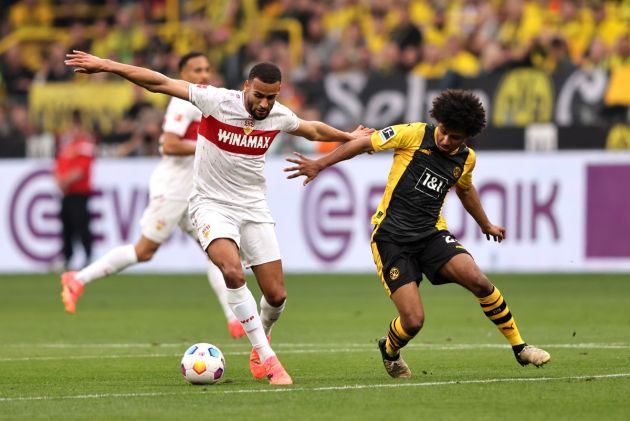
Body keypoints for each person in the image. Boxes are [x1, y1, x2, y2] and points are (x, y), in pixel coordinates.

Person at [64, 50, 372, 385]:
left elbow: (311, 129)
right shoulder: (217, 101)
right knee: (230, 269)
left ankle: (260, 339)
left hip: (253, 207)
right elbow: (160, 83)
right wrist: (107, 65)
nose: (264, 104)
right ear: (245, 88)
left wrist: (349, 137)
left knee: (277, 296)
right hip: (210, 204)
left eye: (271, 97)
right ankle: (270, 361)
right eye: (259, 96)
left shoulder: (277, 115)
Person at [284, 89, 551, 378]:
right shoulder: (412, 134)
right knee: (413, 321)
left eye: (456, 138)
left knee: (480, 282)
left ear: (467, 138)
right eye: (445, 132)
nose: (447, 141)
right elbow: (362, 144)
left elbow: (464, 188)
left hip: (431, 235)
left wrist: (485, 224)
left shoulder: (466, 158)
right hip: (391, 238)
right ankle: (389, 350)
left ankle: (520, 348)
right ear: (439, 122)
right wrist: (319, 165)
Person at [61, 52, 246, 340]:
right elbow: (169, 145)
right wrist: (210, 146)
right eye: (196, 70)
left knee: (218, 255)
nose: (204, 75)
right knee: (144, 251)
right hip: (173, 189)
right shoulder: (182, 102)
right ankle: (77, 278)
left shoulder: (204, 99)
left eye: (207, 68)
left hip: (194, 193)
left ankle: (233, 319)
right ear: (182, 72)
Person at [54, 110, 96, 269]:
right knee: (66, 226)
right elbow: (58, 165)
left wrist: (63, 180)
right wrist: (59, 180)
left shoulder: (85, 145)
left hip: (79, 192)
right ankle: (67, 257)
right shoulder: (67, 145)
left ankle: (88, 256)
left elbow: (81, 170)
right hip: (66, 192)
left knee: (81, 225)